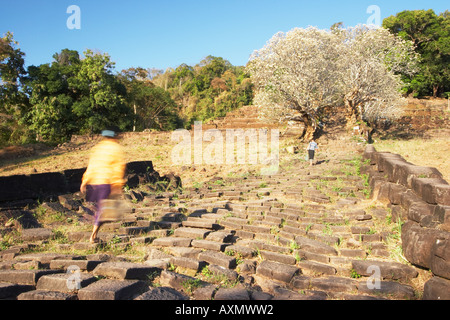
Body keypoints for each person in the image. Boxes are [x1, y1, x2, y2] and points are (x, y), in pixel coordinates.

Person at [80, 126, 126, 244]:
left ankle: (93, 232)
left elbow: (91, 165)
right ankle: (93, 236)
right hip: (106, 182)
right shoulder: (115, 148)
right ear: (115, 137)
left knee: (102, 209)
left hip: (94, 182)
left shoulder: (98, 148)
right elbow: (118, 168)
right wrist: (117, 185)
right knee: (103, 210)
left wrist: (85, 181)